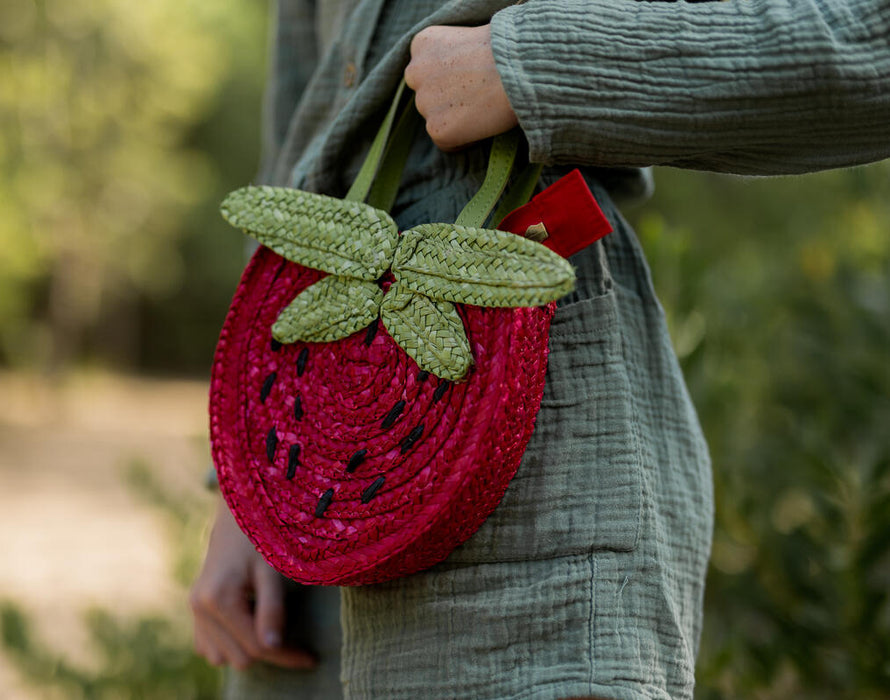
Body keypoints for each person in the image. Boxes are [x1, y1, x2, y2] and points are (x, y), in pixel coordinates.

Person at [190, 1, 890, 698]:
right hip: (303, 495)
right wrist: (243, 481)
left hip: (534, 496)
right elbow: (302, 116)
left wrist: (533, 66)